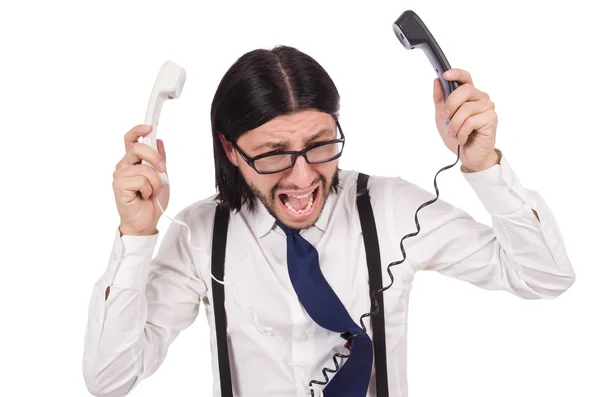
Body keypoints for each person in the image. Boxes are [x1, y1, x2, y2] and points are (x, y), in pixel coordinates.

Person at [82, 45, 575, 397]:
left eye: (319, 144)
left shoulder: (391, 207)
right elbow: (109, 381)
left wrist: (484, 166)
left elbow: (544, 276)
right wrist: (135, 236)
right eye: (273, 153)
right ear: (231, 150)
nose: (302, 176)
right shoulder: (199, 234)